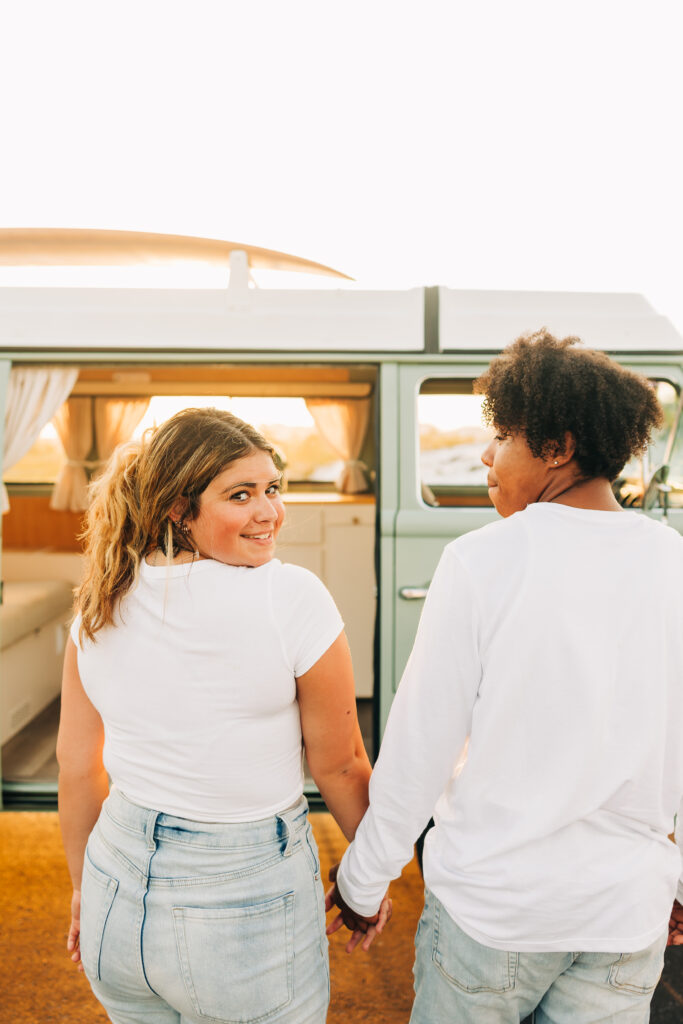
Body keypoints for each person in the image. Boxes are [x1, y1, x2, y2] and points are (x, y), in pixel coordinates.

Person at [326, 330, 683, 1023]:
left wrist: (360, 881)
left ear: (557, 447)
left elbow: (419, 752)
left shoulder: (481, 560)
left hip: (494, 914)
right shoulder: (672, 560)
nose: (486, 456)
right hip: (620, 916)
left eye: (501, 435)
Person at [57, 407, 389, 1024]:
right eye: (241, 496)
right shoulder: (289, 597)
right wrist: (368, 878)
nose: (269, 513)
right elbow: (340, 765)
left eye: (272, 489)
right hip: (240, 905)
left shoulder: (99, 604)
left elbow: (78, 771)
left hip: (113, 895)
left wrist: (84, 890)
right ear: (179, 510)